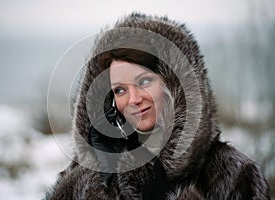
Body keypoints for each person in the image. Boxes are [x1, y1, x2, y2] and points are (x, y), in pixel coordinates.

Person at [44, 13, 270, 200]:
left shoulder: (231, 174)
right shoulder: (89, 174)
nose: (133, 99)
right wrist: (99, 172)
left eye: (144, 82)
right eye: (120, 90)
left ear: (174, 85)